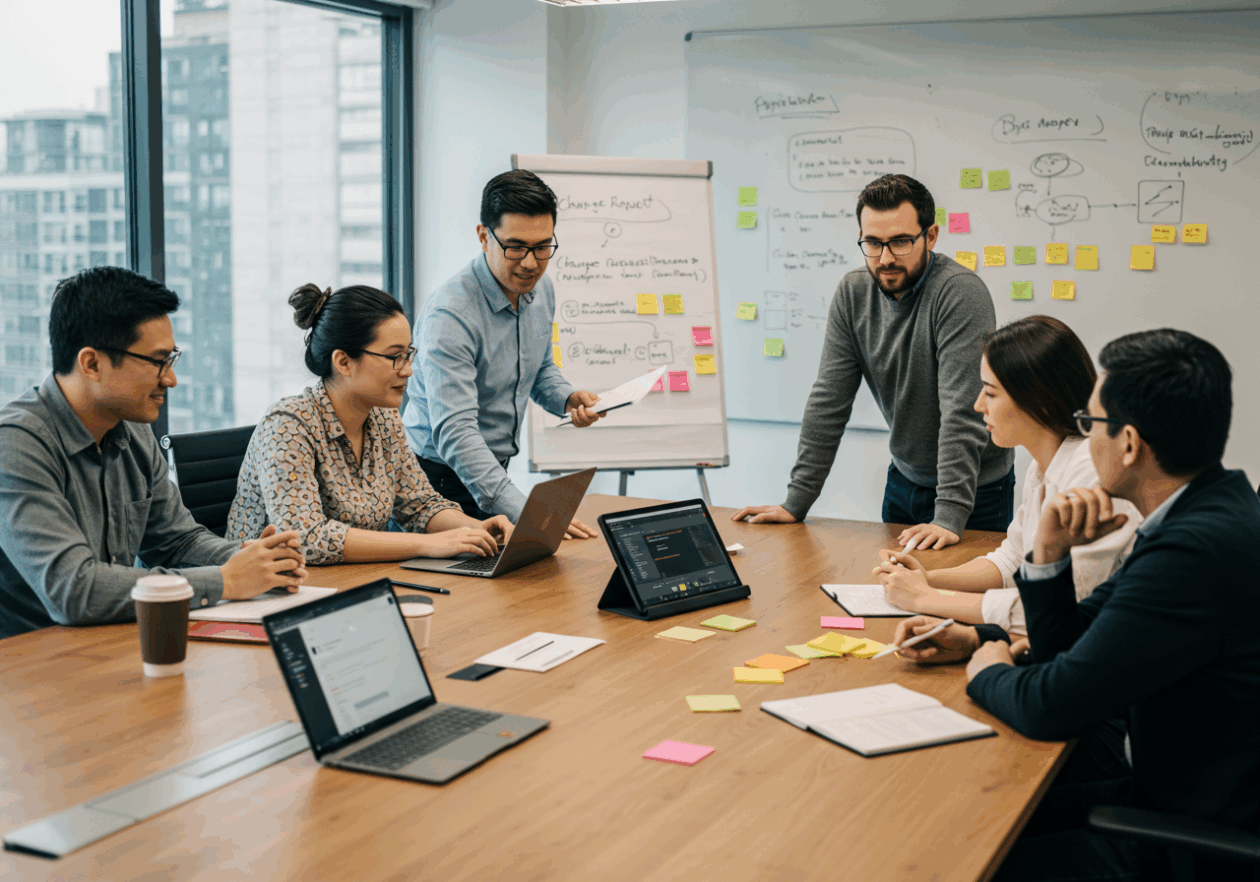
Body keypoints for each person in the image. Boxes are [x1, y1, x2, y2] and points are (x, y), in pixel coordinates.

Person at [892, 329, 1260, 880]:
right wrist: (990, 626)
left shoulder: (1193, 552)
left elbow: (1052, 706)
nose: (1084, 440)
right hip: (1175, 790)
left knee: (951, 852)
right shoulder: (1213, 509)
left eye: (1090, 425)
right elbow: (1086, 633)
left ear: (1129, 443)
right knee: (969, 818)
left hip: (1191, 836)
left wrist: (984, 671)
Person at [0, 267, 307, 641]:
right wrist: (226, 580)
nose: (170, 379)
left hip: (115, 644)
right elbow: (73, 589)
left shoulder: (131, 428)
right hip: (36, 666)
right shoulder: (17, 444)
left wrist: (252, 560)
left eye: (171, 360)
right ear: (92, 364)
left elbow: (178, 542)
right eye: (157, 361)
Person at [732, 174, 1015, 550]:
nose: (885, 259)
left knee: (959, 604)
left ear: (930, 236)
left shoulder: (959, 293)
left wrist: (947, 515)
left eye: (899, 242)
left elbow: (961, 414)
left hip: (976, 492)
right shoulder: (853, 293)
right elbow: (829, 399)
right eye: (872, 243)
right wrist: (796, 502)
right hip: (903, 481)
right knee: (894, 599)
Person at [876, 315, 1140, 634]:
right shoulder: (1045, 465)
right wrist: (928, 578)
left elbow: (1061, 610)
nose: (977, 405)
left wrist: (927, 599)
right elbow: (1012, 559)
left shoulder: (1090, 474)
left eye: (990, 392)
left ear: (1036, 398)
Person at [228, 284, 516, 565]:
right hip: (267, 594)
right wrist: (429, 545)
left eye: (408, 354)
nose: (408, 369)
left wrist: (476, 529)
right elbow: (306, 539)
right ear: (343, 362)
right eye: (394, 357)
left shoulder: (383, 416)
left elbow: (420, 505)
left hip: (352, 584)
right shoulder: (287, 425)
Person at [402, 170, 604, 539]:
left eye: (543, 247)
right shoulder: (451, 315)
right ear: (483, 236)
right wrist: (524, 510)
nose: (530, 263)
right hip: (436, 482)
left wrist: (567, 398)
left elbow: (539, 368)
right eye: (515, 247)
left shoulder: (542, 292)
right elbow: (455, 431)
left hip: (493, 471)